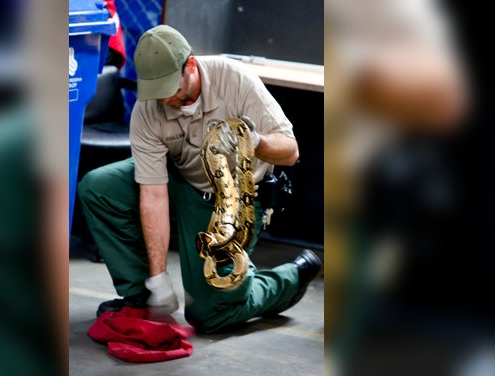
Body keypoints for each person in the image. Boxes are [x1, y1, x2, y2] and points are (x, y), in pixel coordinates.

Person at [77, 24, 322, 334]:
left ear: (190, 65)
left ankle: (288, 279)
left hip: (230, 201)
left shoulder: (235, 79)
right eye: (156, 91)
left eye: (171, 89)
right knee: (99, 187)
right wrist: (158, 279)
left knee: (210, 314)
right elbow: (152, 193)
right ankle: (140, 295)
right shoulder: (148, 108)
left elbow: (291, 152)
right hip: (178, 181)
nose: (164, 100)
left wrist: (253, 139)